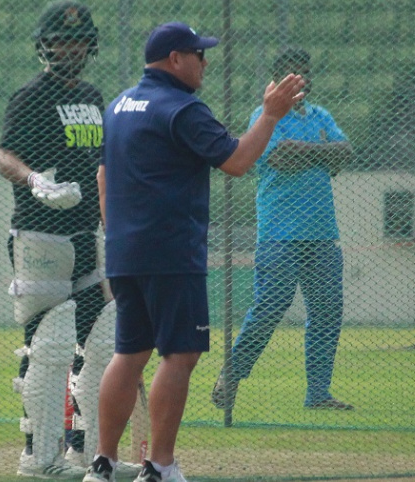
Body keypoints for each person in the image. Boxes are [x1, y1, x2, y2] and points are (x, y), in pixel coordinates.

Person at [83, 22, 306, 482]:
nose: (205, 62)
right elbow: (237, 161)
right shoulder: (183, 108)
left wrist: (118, 236)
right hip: (170, 253)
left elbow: (103, 177)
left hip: (124, 251)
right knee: (179, 355)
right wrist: (269, 115)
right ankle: (159, 466)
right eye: (198, 54)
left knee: (129, 353)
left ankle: (102, 464)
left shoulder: (119, 106)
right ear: (175, 59)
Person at [0, 2, 140, 479]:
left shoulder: (95, 97)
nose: (70, 49)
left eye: (77, 41)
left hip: (86, 235)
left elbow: (104, 163)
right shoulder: (30, 96)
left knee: (102, 341)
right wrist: (35, 180)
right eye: (60, 41)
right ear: (45, 45)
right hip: (40, 235)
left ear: (90, 46)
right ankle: (39, 459)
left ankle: (93, 454)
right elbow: (5, 157)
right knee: (50, 342)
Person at [211, 47, 355, 412]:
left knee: (327, 311)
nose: (299, 80)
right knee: (271, 305)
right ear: (277, 81)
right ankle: (233, 372)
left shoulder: (321, 115)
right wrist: (321, 151)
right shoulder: (266, 116)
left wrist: (304, 150)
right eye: (291, 74)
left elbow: (345, 151)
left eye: (303, 73)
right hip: (279, 232)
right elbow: (279, 156)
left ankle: (318, 393)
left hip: (321, 232)